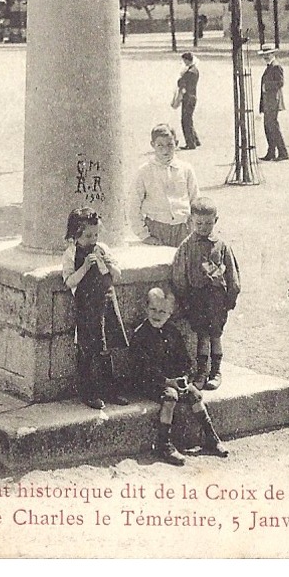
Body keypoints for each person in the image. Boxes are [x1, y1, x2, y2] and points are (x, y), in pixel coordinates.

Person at [128, 287, 228, 465]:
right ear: (146, 308)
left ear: (170, 314)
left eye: (163, 311)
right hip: (149, 382)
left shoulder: (172, 332)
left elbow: (185, 360)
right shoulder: (140, 335)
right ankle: (164, 444)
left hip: (173, 380)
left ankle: (211, 436)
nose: (157, 315)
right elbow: (143, 368)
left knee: (195, 394)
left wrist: (184, 378)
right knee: (170, 396)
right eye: (153, 310)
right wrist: (167, 382)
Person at [62, 207, 129, 410]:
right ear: (76, 235)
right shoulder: (71, 253)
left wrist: (110, 265)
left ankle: (109, 389)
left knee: (106, 347)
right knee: (88, 349)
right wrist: (84, 268)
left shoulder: (103, 248)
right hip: (87, 307)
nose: (93, 239)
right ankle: (88, 391)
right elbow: (69, 281)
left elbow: (117, 275)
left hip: (107, 303)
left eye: (96, 234)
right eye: (88, 235)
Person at [171, 200, 240, 391]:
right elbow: (179, 275)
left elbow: (232, 274)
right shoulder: (186, 246)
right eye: (199, 223)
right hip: (197, 299)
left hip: (217, 300)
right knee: (202, 336)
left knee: (216, 336)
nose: (203, 228)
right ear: (191, 221)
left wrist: (230, 298)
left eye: (208, 223)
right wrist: (184, 299)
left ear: (215, 220)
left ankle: (216, 371)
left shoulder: (222, 246)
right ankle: (201, 371)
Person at [128, 123, 199, 247]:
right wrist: (144, 235)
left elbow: (195, 200)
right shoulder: (144, 171)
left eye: (170, 145)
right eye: (160, 145)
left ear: (176, 143)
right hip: (157, 229)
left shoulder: (186, 169)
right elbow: (134, 205)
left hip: (183, 228)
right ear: (152, 145)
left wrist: (193, 227)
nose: (165, 150)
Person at [258, 44, 288, 161]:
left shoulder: (276, 66)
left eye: (268, 54)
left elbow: (280, 83)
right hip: (268, 102)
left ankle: (282, 152)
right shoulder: (269, 66)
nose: (266, 56)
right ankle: (271, 152)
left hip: (273, 102)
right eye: (264, 55)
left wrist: (267, 86)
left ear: (273, 54)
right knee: (268, 127)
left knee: (273, 127)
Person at [176, 52, 201, 149]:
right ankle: (195, 140)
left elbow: (181, 83)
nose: (183, 62)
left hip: (187, 98)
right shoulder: (195, 70)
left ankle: (190, 143)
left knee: (185, 121)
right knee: (189, 120)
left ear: (187, 60)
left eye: (184, 60)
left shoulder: (189, 72)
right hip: (193, 97)